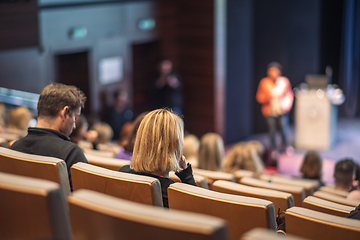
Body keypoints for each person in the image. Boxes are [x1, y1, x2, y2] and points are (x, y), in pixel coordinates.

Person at [10, 83, 87, 191]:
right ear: (64, 113)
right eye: (75, 117)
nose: (74, 126)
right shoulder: (71, 154)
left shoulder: (14, 148)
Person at [119, 109, 196, 208]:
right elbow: (197, 210)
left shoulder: (123, 172)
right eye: (181, 139)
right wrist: (186, 175)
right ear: (173, 146)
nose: (183, 143)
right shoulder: (171, 192)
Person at [256, 62, 293, 152]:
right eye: (271, 71)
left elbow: (289, 95)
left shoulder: (284, 82)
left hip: (282, 110)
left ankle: (285, 146)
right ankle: (273, 148)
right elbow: (259, 97)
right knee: (272, 130)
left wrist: (287, 105)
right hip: (269, 111)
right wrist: (266, 98)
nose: (273, 73)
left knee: (284, 129)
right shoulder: (264, 82)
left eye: (275, 71)